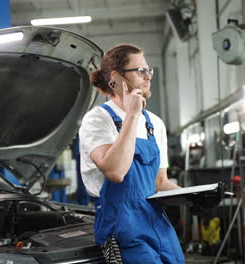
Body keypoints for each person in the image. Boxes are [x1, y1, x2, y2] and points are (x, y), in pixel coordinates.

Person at [79, 43, 185, 263]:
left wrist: (193, 196)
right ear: (116, 78)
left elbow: (160, 182)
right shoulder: (98, 119)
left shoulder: (154, 123)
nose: (148, 77)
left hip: (155, 220)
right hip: (120, 225)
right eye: (141, 71)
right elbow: (115, 171)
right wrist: (132, 115)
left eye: (149, 70)